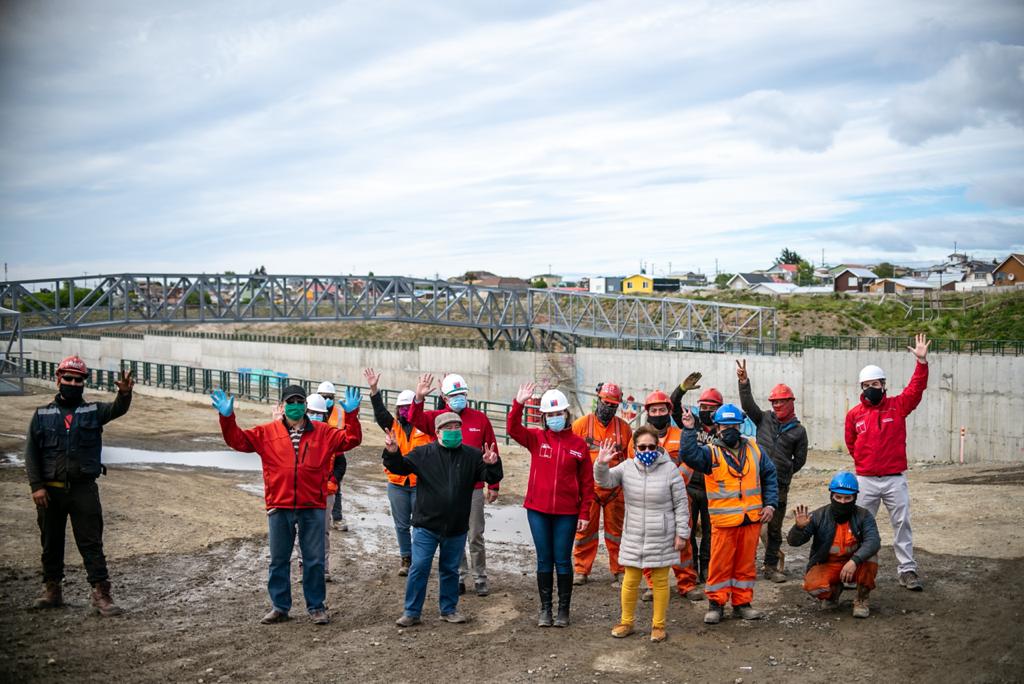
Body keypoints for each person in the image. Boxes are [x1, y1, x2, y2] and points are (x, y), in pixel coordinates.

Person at [213, 384, 362, 625]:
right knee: (278, 559)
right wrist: (227, 417)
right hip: (279, 506)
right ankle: (280, 607)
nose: (295, 406)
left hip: (312, 505)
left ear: (305, 405)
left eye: (299, 402)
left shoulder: (323, 432)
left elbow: (352, 439)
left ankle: (316, 607)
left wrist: (353, 415)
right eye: (290, 402)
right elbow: (237, 441)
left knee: (314, 560)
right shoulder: (267, 433)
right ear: (282, 406)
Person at [25, 356, 134, 616]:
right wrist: (37, 486)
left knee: (91, 543)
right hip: (50, 491)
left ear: (84, 382)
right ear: (58, 379)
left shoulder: (93, 412)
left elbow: (117, 409)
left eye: (78, 380)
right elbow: (31, 453)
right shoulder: (42, 415)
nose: (73, 383)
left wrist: (125, 394)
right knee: (51, 542)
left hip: (83, 489)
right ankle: (52, 590)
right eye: (68, 378)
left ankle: (101, 594)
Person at [383, 412, 503, 627]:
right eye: (448, 428)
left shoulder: (472, 455)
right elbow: (400, 466)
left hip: (456, 527)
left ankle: (448, 609)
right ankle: (411, 612)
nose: (453, 431)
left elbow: (491, 477)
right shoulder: (423, 453)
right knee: (419, 567)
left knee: (449, 570)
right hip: (426, 525)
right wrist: (392, 453)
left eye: (457, 427)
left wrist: (492, 464)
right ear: (437, 433)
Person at [845, 333, 930, 591]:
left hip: (895, 478)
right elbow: (851, 443)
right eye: (867, 384)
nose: (872, 388)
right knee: (858, 526)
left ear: (884, 385)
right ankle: (855, 570)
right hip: (866, 480)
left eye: (877, 383)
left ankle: (907, 570)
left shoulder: (898, 406)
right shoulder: (854, 415)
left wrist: (922, 363)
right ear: (861, 388)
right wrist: (864, 463)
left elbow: (916, 389)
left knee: (902, 523)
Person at [680, 403, 778, 624]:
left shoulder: (754, 449)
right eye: (725, 425)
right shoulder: (710, 453)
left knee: (745, 565)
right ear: (718, 427)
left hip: (751, 520)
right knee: (720, 565)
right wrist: (688, 430)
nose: (730, 429)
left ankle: (743, 603)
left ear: (741, 425)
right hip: (724, 522)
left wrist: (770, 504)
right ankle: (716, 604)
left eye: (734, 424)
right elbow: (689, 456)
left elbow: (770, 475)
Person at [507, 383, 594, 628]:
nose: (555, 418)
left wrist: (585, 512)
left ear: (566, 414)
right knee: (544, 559)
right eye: (550, 415)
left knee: (563, 560)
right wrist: (519, 403)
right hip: (538, 511)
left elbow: (588, 483)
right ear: (544, 417)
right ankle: (545, 609)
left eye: (559, 413)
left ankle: (563, 610)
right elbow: (512, 429)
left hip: (567, 512)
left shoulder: (578, 445)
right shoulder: (536, 438)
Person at [407, 372, 499, 597]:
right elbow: (415, 419)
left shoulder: (480, 419)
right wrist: (418, 398)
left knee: (475, 534)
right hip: (446, 489)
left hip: (474, 487)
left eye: (462, 394)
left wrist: (493, 484)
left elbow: (492, 450)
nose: (459, 398)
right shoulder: (438, 418)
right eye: (454, 395)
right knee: (453, 533)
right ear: (445, 398)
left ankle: (480, 577)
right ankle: (459, 576)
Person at [596, 426, 689, 643]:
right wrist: (601, 464)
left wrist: (681, 533)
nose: (647, 450)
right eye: (642, 446)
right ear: (635, 447)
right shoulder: (627, 467)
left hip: (662, 535)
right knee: (630, 580)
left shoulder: (670, 470)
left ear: (658, 447)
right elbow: (605, 481)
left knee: (660, 581)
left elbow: (681, 504)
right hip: (634, 534)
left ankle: (658, 626)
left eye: (651, 446)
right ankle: (626, 622)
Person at [736, 359, 808, 583]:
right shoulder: (764, 419)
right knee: (748, 525)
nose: (777, 405)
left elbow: (800, 460)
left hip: (779, 485)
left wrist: (783, 471)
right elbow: (748, 406)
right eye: (774, 402)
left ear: (791, 402)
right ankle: (744, 567)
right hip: (755, 483)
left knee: (774, 528)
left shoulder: (798, 431)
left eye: (781, 402)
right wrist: (743, 382)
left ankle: (770, 566)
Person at [629, 390, 704, 602]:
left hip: (678, 499)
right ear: (648, 413)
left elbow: (690, 461)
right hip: (650, 501)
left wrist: (672, 481)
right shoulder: (639, 439)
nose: (658, 413)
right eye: (654, 410)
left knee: (683, 542)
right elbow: (631, 466)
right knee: (650, 542)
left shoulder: (681, 436)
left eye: (662, 409)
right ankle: (653, 585)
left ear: (670, 411)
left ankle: (687, 583)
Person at [365, 368, 431, 577]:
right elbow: (379, 411)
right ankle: (406, 558)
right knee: (401, 524)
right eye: (400, 408)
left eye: (407, 407)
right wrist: (374, 389)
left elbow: (442, 417)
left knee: (421, 525)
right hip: (397, 484)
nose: (403, 411)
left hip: (420, 484)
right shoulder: (392, 426)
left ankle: (420, 559)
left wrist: (443, 396)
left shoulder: (426, 426)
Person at [788, 472, 880, 618]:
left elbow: (873, 541)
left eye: (847, 498)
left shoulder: (864, 515)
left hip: (855, 564)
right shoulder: (818, 516)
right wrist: (799, 528)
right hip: (829, 564)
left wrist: (854, 561)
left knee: (871, 558)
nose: (842, 502)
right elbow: (794, 542)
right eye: (838, 497)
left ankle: (862, 599)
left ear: (855, 497)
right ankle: (833, 593)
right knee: (813, 586)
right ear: (832, 496)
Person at [571, 382, 633, 587]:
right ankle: (581, 569)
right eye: (606, 403)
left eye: (613, 405)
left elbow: (630, 459)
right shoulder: (580, 426)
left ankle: (620, 569)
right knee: (585, 532)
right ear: (598, 399)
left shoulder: (624, 429)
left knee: (616, 533)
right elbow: (571, 458)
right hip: (588, 490)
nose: (608, 408)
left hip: (615, 490)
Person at [670, 374, 715, 583]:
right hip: (689, 487)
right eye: (704, 407)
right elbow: (673, 404)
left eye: (711, 408)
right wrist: (682, 389)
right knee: (687, 530)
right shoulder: (692, 423)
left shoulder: (723, 429)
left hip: (713, 489)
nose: (707, 411)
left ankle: (707, 567)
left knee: (710, 531)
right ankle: (694, 568)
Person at [316, 381, 349, 532]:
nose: (328, 399)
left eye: (330, 397)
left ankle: (337, 518)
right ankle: (319, 516)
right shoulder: (313, 411)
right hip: (316, 450)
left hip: (335, 451)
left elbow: (348, 433)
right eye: (324, 397)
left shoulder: (340, 413)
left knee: (335, 486)